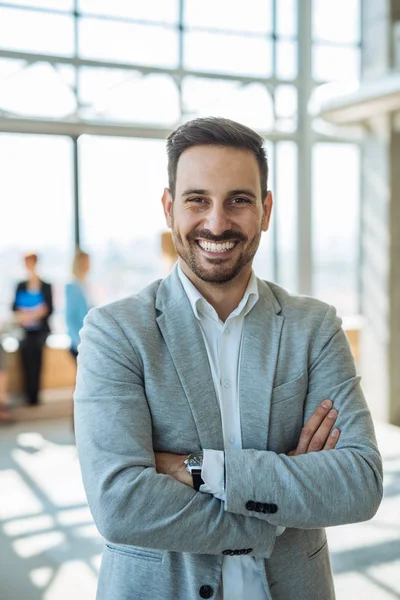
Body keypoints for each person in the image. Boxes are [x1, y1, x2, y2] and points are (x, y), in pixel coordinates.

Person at [74, 117, 383, 600]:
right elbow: (121, 506)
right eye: (198, 199)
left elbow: (358, 483)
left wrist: (196, 469)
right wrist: (277, 507)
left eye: (239, 200)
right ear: (168, 207)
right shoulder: (115, 332)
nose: (217, 223)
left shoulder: (314, 327)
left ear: (266, 210)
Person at [12, 253, 53, 406]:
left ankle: (35, 396)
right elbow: (14, 308)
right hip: (24, 331)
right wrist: (31, 314)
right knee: (25, 358)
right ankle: (28, 395)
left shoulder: (45, 285)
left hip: (40, 331)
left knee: (37, 357)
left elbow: (49, 309)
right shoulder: (20, 285)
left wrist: (35, 314)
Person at [65, 250, 91, 360]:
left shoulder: (84, 285)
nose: (88, 265)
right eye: (85, 262)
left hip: (87, 339)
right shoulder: (73, 286)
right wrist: (79, 342)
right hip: (78, 342)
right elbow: (69, 317)